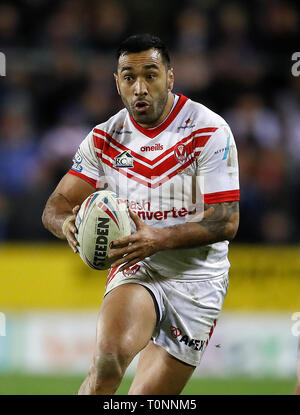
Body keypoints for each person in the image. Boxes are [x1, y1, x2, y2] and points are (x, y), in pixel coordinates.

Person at [42, 33, 240, 395]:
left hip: (199, 280)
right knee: (107, 363)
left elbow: (226, 219)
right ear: (117, 83)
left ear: (170, 77)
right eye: (129, 77)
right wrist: (67, 224)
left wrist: (158, 238)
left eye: (151, 74)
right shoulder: (105, 137)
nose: (140, 88)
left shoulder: (208, 129)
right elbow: (55, 206)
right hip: (138, 265)